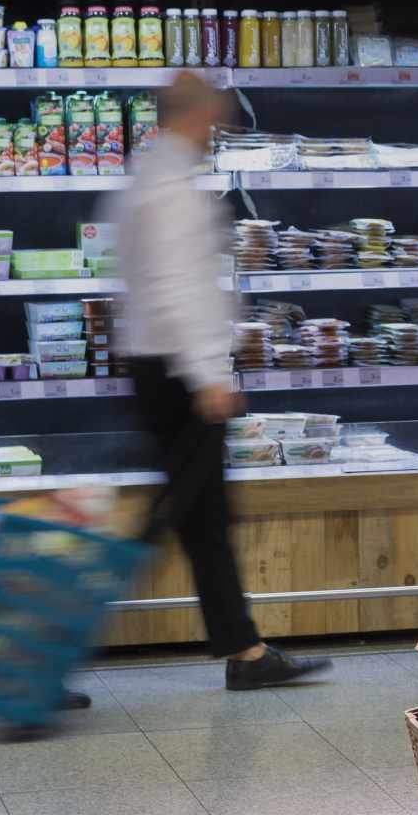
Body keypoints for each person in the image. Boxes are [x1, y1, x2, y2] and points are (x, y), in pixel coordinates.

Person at [111, 71, 328, 690]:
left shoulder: (149, 174)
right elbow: (181, 290)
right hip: (179, 373)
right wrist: (210, 374)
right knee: (169, 518)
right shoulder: (171, 189)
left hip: (158, 366)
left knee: (201, 515)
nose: (220, 129)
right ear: (195, 115)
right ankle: (47, 647)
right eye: (216, 116)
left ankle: (246, 652)